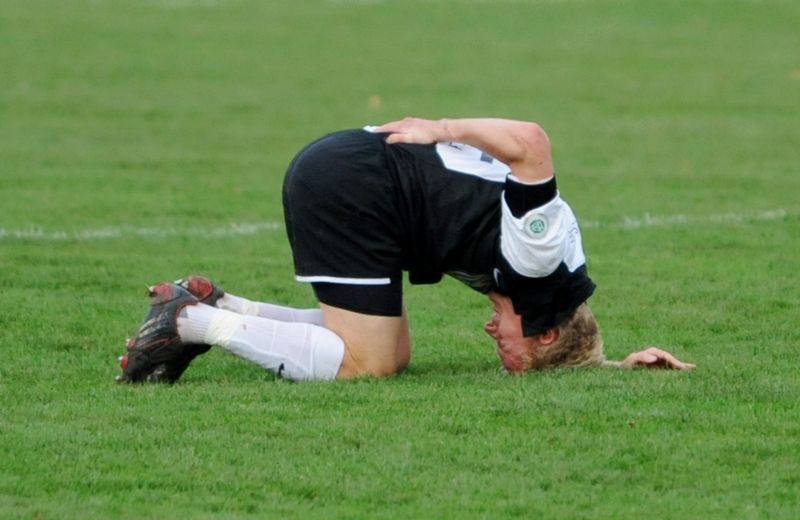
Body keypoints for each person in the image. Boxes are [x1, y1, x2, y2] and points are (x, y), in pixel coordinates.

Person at [116, 117, 695, 383]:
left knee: (392, 346)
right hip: (356, 185)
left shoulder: (551, 287)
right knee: (370, 364)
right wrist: (442, 127)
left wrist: (616, 366)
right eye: (515, 355)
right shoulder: (538, 261)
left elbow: (567, 345)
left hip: (360, 178)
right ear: (544, 331)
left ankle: (224, 306)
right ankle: (191, 323)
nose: (495, 341)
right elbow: (532, 143)